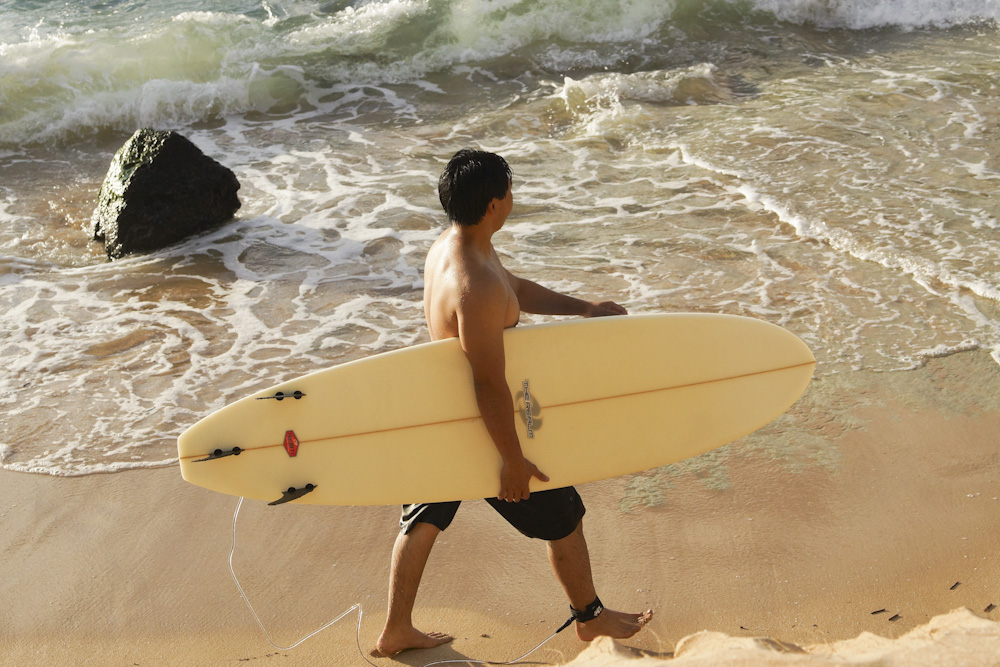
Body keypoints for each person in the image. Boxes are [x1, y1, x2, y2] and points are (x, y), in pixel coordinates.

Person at [373, 149, 653, 657]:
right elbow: (488, 383)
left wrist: (584, 308)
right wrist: (512, 459)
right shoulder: (474, 283)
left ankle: (396, 628)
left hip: (442, 412)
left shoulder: (457, 247)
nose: (512, 198)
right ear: (493, 204)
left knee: (424, 518)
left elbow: (516, 290)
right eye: (509, 190)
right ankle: (589, 619)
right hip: (479, 425)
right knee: (562, 513)